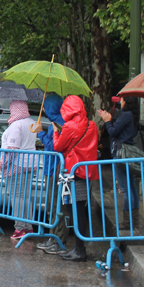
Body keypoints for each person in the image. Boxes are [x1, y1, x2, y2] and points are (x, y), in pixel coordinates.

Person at [53, 95, 98, 261]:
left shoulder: (69, 126)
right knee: (81, 209)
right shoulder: (91, 125)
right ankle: (79, 248)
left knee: (75, 211)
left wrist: (56, 132)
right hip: (86, 172)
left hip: (72, 172)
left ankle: (80, 250)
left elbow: (58, 146)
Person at [32, 94, 69, 254]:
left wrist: (40, 133)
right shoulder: (54, 123)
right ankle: (53, 237)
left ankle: (57, 239)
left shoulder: (61, 124)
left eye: (45, 106)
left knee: (56, 207)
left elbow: (54, 146)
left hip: (56, 171)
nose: (43, 109)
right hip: (50, 169)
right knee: (50, 206)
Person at [97, 96, 141, 230]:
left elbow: (113, 131)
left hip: (121, 153)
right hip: (128, 153)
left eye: (122, 99)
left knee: (126, 188)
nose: (120, 101)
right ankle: (134, 219)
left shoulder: (126, 115)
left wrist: (107, 121)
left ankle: (128, 221)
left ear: (126, 101)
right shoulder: (133, 115)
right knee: (132, 187)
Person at [0, 100, 37, 240]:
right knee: (26, 196)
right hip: (30, 164)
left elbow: (12, 148)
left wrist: (2, 163)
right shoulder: (32, 122)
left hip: (16, 165)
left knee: (16, 197)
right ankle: (28, 227)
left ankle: (19, 228)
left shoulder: (16, 125)